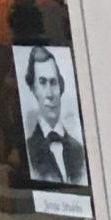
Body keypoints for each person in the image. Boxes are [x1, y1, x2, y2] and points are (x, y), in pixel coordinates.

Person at [22, 47, 85, 187]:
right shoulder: (28, 149)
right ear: (33, 89)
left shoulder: (79, 150)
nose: (50, 94)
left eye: (54, 82)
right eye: (43, 83)